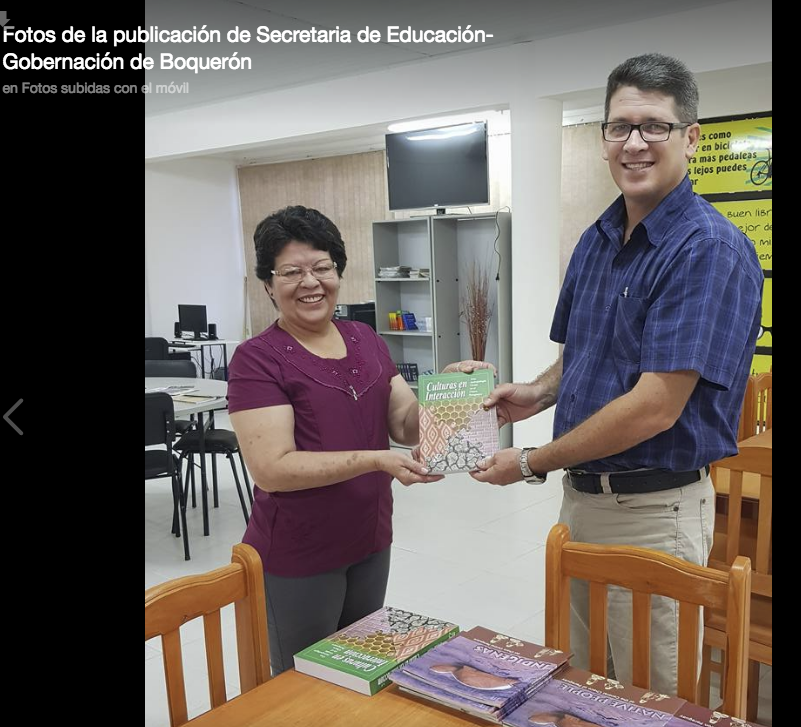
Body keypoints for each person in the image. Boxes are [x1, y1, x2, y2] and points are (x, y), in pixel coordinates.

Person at [449, 54, 763, 694]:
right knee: (585, 683)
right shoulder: (599, 237)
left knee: (651, 696)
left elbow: (655, 406)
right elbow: (586, 355)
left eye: (655, 126)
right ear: (603, 139)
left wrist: (533, 461)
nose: (635, 142)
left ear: (691, 138)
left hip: (655, 511)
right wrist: (534, 393)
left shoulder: (707, 249)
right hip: (584, 501)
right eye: (620, 126)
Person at [227, 205, 442, 675]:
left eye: (322, 267)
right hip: (298, 552)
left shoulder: (365, 338)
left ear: (338, 272)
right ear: (268, 284)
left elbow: (405, 420)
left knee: (361, 671)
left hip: (370, 538)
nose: (310, 282)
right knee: (303, 686)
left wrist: (452, 394)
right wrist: (375, 460)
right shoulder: (257, 360)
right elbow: (273, 468)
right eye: (291, 272)